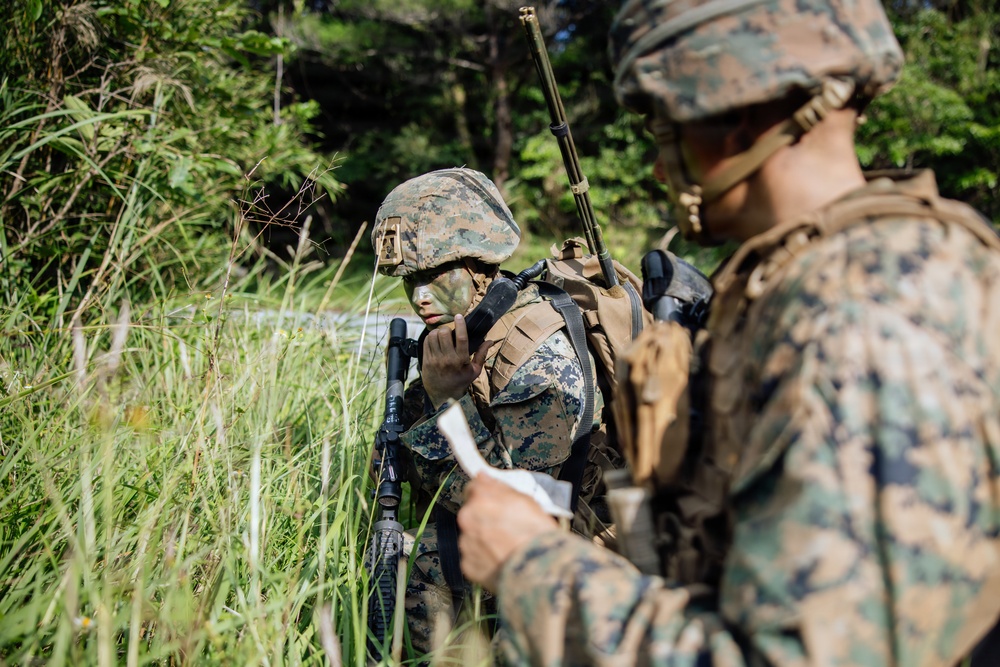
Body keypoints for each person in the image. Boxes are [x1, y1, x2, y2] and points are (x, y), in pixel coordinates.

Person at [455, 1, 1000, 665]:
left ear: (729, 108)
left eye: (664, 129)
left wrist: (530, 567)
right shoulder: (875, 263)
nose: (660, 167)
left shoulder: (855, 319)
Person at [369, 167, 609, 655]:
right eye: (411, 280)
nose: (419, 297)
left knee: (422, 573)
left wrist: (445, 401)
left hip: (570, 546)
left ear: (480, 267)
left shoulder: (537, 349)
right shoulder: (467, 333)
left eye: (436, 276)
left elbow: (521, 505)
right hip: (507, 537)